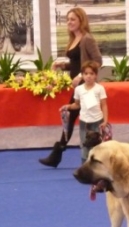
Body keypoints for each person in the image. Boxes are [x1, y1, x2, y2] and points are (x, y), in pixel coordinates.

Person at [39, 6, 103, 168]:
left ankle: (60, 152)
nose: (69, 22)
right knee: (74, 118)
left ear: (81, 20)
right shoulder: (74, 39)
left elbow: (98, 61)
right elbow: (76, 64)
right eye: (67, 19)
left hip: (86, 87)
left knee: (82, 119)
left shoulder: (87, 39)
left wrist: (82, 76)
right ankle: (61, 152)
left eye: (73, 19)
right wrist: (62, 65)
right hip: (78, 88)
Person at [60, 60, 108, 163]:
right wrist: (67, 107)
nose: (89, 76)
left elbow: (104, 105)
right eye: (86, 74)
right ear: (82, 75)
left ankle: (98, 168)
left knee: (97, 147)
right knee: (84, 145)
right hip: (84, 122)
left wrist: (105, 121)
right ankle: (85, 168)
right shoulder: (78, 89)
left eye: (91, 73)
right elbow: (76, 105)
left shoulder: (100, 89)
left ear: (96, 75)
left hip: (97, 122)